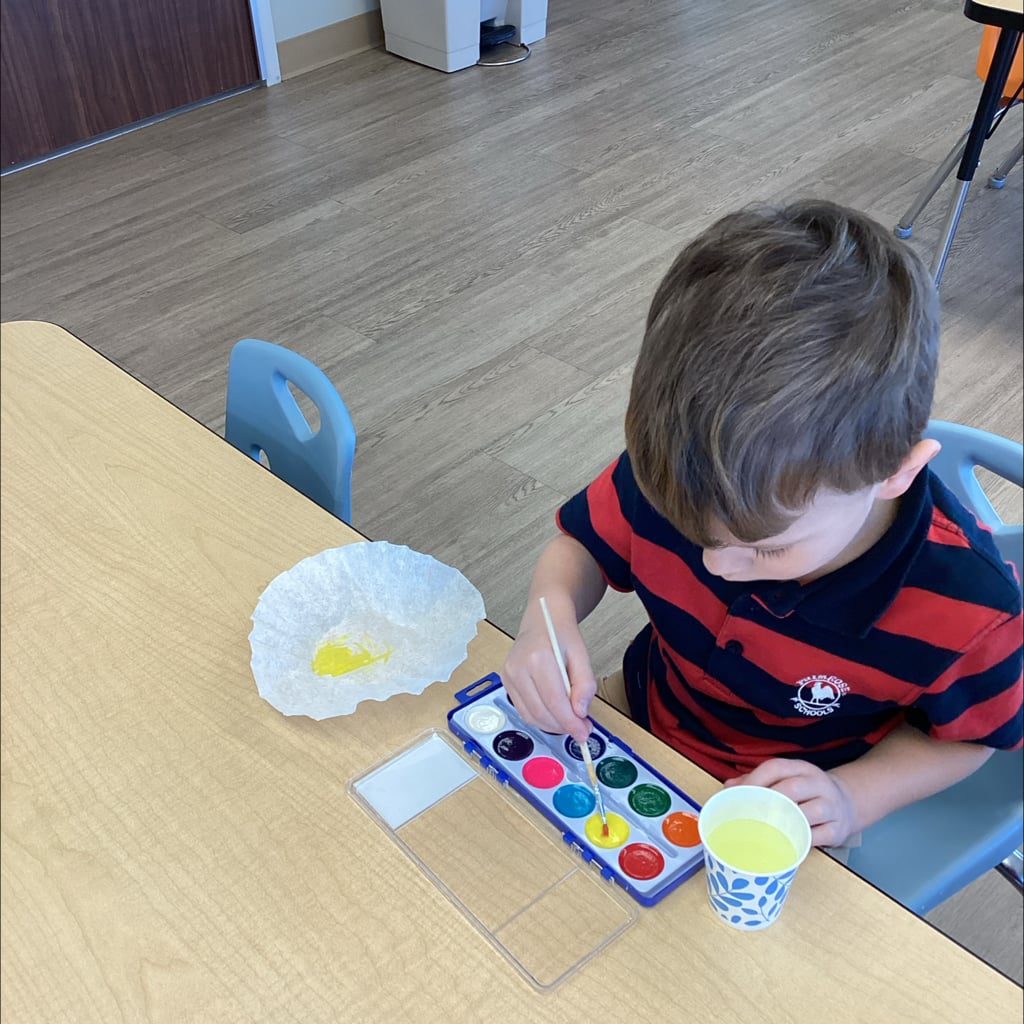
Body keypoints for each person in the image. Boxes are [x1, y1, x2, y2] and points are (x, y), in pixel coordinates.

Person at [501, 199, 1023, 849]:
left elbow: (972, 739)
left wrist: (856, 796)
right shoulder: (683, 472)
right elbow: (582, 544)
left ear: (894, 472)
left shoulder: (969, 610)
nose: (716, 564)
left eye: (766, 549)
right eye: (692, 532)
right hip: (639, 715)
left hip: (791, 809)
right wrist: (545, 615)